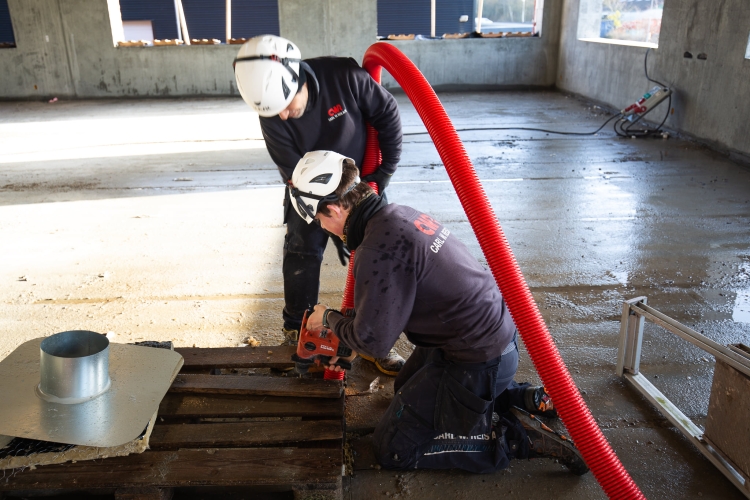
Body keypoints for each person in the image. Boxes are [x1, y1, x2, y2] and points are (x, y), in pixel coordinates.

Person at [291, 150, 589, 475]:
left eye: (320, 220)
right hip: (482, 338)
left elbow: (372, 342)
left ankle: (519, 440)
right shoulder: (395, 215)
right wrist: (344, 322)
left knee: (393, 448)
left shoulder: (376, 250)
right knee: (404, 389)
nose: (323, 227)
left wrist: (330, 319)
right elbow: (389, 299)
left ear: (333, 209)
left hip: (478, 359)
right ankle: (525, 398)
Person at [233, 35, 405, 375]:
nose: (282, 116)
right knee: (301, 253)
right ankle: (297, 330)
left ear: (298, 77)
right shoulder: (272, 111)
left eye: (287, 105)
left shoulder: (344, 78)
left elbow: (388, 117)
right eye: (272, 111)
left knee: (376, 258)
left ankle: (374, 339)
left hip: (359, 183)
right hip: (307, 190)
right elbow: (291, 170)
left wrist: (382, 174)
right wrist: (330, 219)